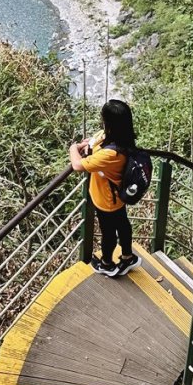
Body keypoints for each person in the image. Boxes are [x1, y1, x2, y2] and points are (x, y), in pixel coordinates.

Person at [68, 99, 142, 278]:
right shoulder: (121, 139)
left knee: (108, 233)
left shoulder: (111, 154)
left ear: (108, 123)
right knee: (123, 225)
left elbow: (78, 165)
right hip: (117, 197)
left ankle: (107, 264)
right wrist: (88, 145)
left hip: (107, 200)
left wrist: (73, 147)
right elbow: (93, 142)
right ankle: (127, 257)